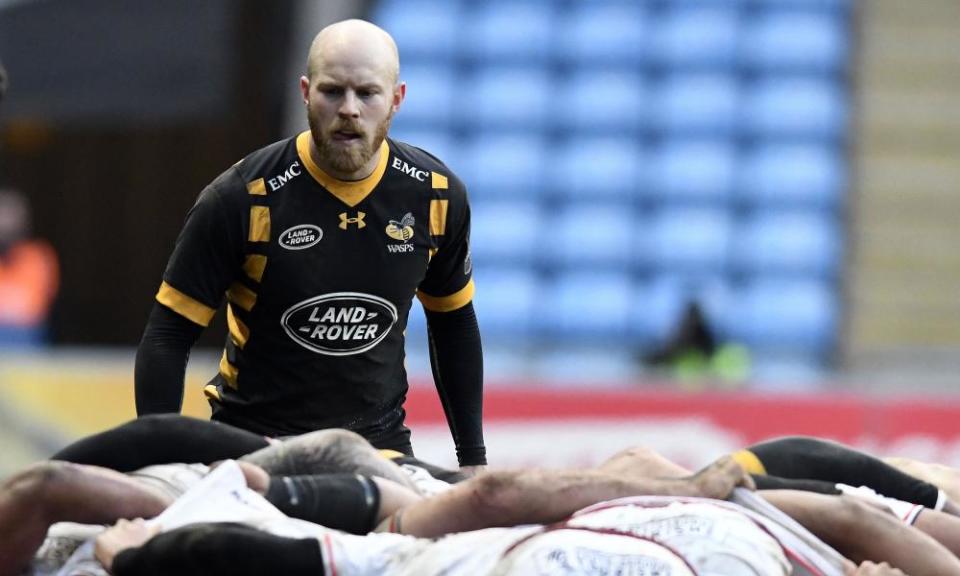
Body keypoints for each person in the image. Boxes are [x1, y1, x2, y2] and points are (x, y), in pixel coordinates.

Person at [134, 19, 485, 472]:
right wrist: (160, 466)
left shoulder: (436, 195)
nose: (349, 109)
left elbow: (454, 324)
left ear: (396, 100)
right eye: (332, 91)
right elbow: (169, 334)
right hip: (253, 452)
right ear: (305, 92)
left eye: (367, 93)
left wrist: (473, 461)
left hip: (378, 455)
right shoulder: (241, 197)